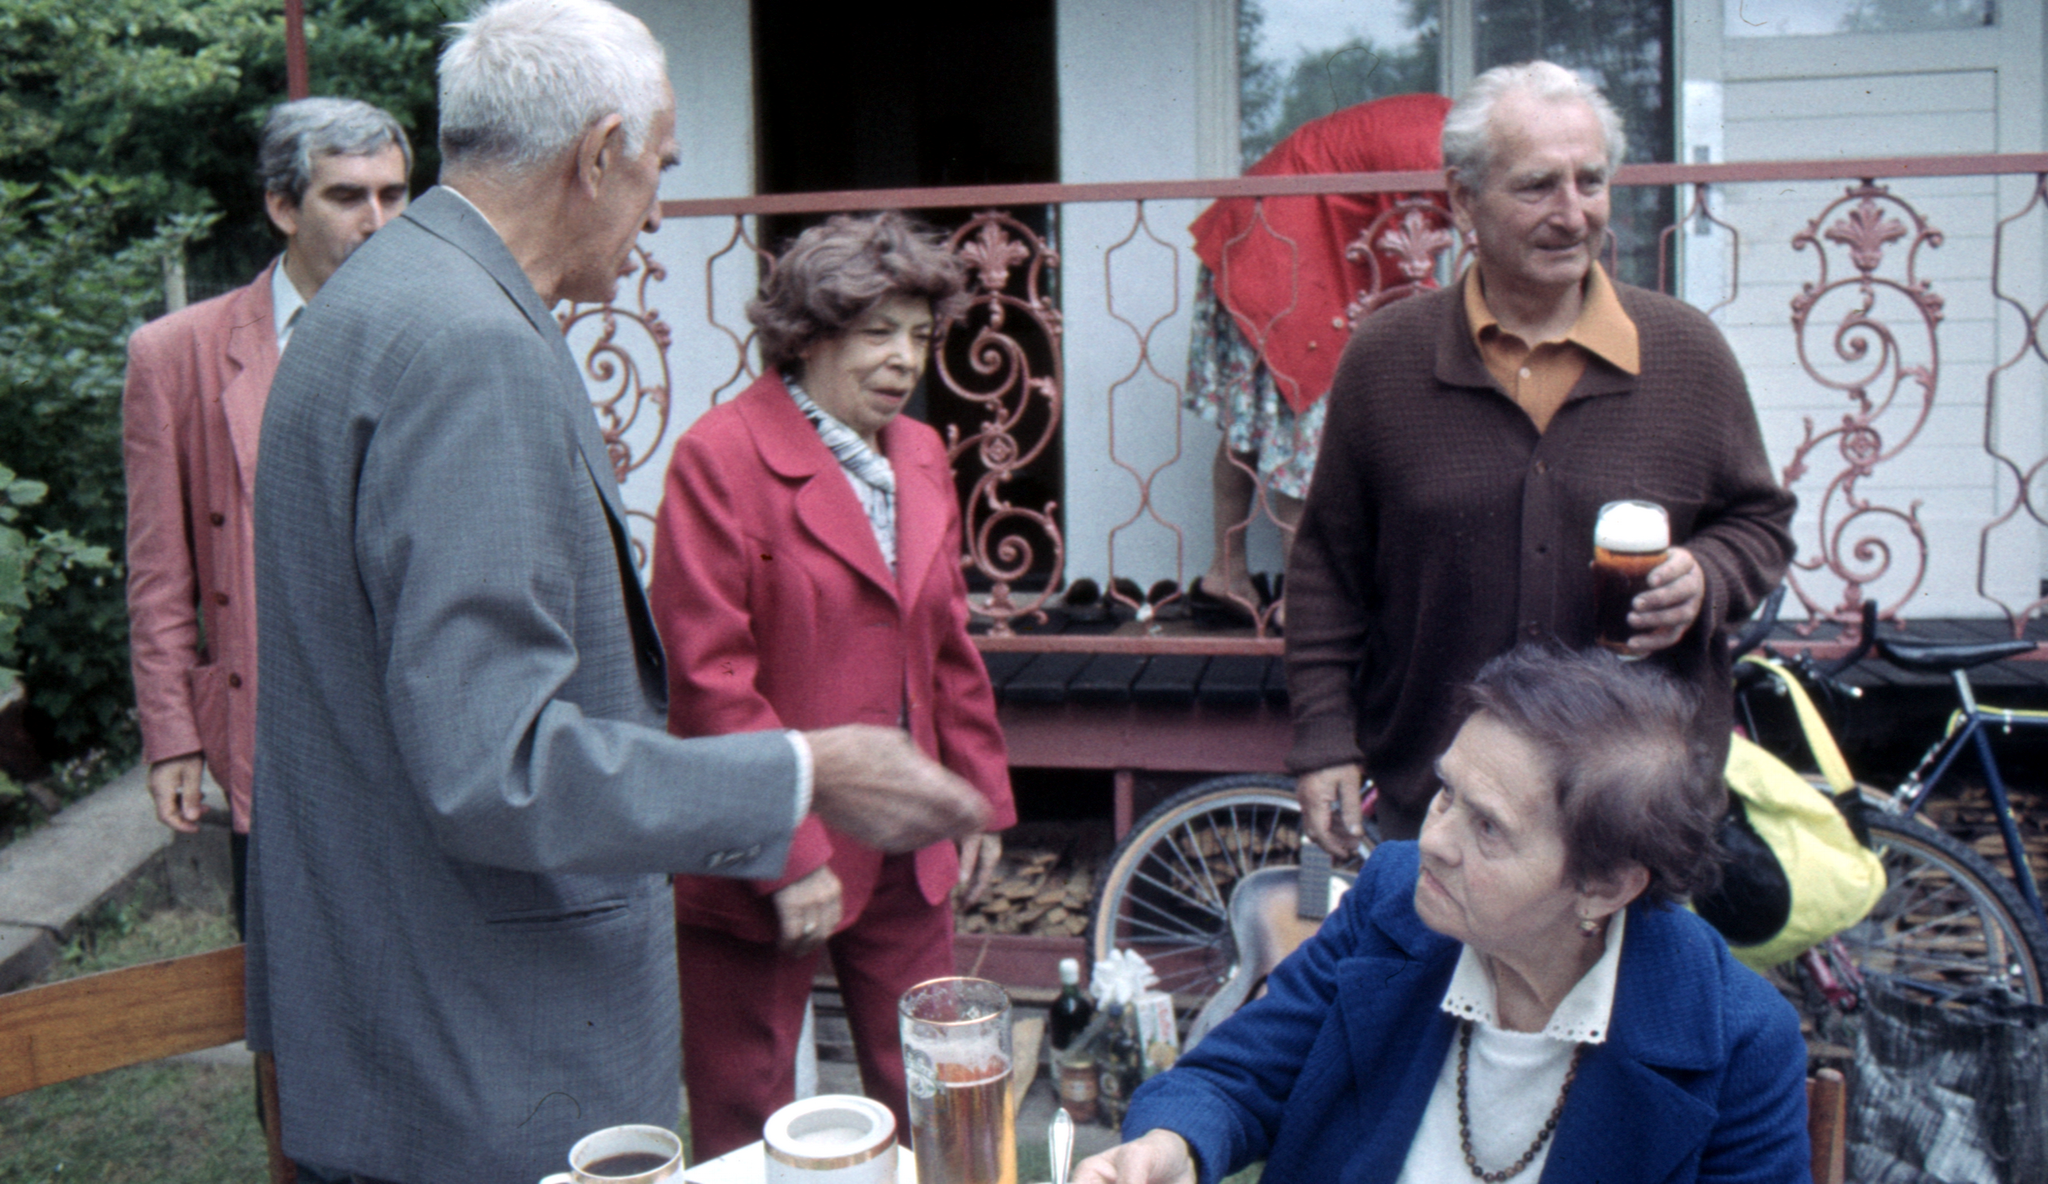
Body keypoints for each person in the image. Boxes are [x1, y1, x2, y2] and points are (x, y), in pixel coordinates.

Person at [245, 4, 989, 1182]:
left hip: (390, 1020)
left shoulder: (373, 297)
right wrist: (805, 771)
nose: (656, 212)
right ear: (598, 155)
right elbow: (496, 765)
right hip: (486, 1056)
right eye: (660, 167)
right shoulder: (472, 346)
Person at [1287, 61, 1795, 845]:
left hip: (1632, 811)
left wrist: (1707, 577)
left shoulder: (1686, 353)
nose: (1572, 214)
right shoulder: (1386, 359)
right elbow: (1328, 564)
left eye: (1590, 182)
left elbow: (1760, 521)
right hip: (1439, 806)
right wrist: (1324, 738)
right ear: (1463, 198)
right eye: (1537, 187)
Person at [1075, 645, 1812, 1184]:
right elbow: (1241, 1074)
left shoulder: (1736, 1040)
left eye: (1488, 827)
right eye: (1446, 793)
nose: (1432, 840)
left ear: (1606, 885)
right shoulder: (1395, 902)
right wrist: (1172, 1146)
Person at [650, 211, 1017, 1159]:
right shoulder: (720, 458)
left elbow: (945, 643)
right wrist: (790, 847)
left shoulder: (919, 452)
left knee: (936, 1096)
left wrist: (976, 797)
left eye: (919, 336)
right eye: (876, 332)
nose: (904, 360)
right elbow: (709, 680)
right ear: (808, 335)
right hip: (770, 843)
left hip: (903, 841)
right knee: (748, 1114)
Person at [123, 96, 412, 931]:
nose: (377, 221)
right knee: (286, 974)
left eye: (393, 195)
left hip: (409, 722)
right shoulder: (177, 355)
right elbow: (160, 570)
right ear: (284, 207)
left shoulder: (433, 336)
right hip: (274, 729)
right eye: (347, 197)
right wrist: (173, 734)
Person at [1182, 92, 1451, 627]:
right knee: (1307, 426)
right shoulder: (1438, 147)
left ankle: (1226, 573)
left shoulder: (1445, 127)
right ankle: (1305, 607)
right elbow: (1414, 257)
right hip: (1281, 245)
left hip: (1267, 234)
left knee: (1254, 424)